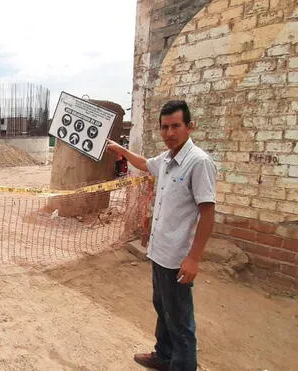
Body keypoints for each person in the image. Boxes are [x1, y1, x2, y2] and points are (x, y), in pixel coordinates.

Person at [106, 100, 216, 370]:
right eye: (165, 127)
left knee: (181, 323)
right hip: (159, 253)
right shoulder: (166, 159)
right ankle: (163, 356)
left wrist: (194, 258)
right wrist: (121, 150)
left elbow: (208, 212)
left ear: (190, 127)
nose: (169, 133)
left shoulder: (198, 162)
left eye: (176, 126)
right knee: (163, 308)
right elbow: (145, 164)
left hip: (179, 258)